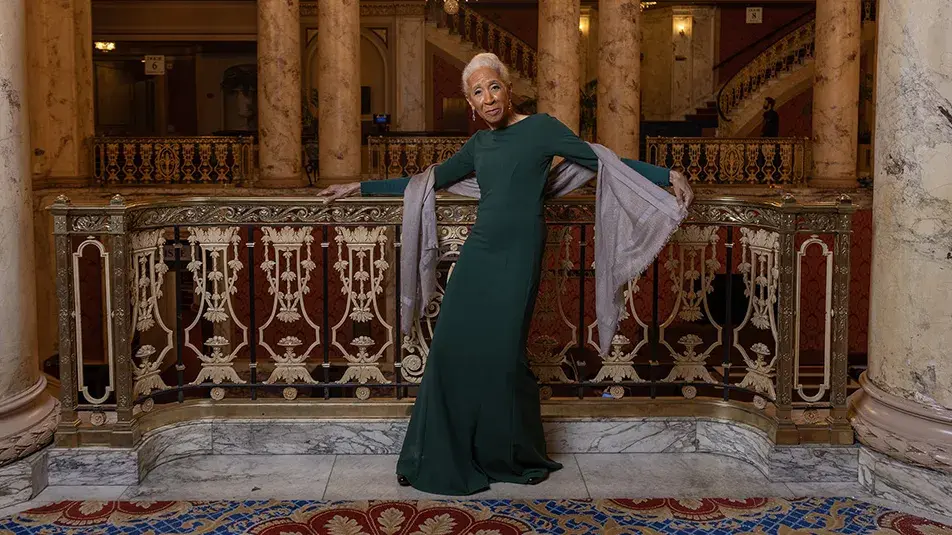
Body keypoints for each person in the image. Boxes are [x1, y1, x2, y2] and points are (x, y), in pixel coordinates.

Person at [318, 53, 693, 496]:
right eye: (478, 92)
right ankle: (434, 454)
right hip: (478, 254)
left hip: (519, 254)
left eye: (493, 87)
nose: (488, 98)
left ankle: (507, 454)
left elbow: (603, 161)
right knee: (449, 348)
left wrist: (666, 174)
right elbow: (427, 180)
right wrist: (359, 186)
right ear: (471, 103)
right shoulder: (478, 145)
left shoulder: (542, 128)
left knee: (501, 356)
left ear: (508, 89)